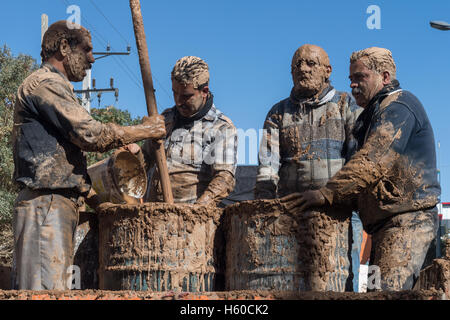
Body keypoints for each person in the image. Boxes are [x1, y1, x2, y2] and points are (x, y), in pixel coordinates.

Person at [11, 21, 166, 290]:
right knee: (43, 293)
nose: (93, 58)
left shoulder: (56, 87)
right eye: (87, 50)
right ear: (63, 47)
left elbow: (69, 159)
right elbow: (91, 134)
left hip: (54, 204)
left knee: (53, 290)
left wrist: (95, 199)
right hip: (46, 205)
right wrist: (145, 130)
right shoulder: (45, 84)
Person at [282, 47, 440, 291]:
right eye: (351, 79)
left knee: (387, 292)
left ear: (385, 77)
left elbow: (371, 162)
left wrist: (325, 194)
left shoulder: (399, 106)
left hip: (407, 222)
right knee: (375, 291)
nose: (353, 85)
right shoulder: (369, 117)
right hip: (382, 227)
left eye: (360, 77)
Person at [255, 44, 362, 291]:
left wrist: (336, 195)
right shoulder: (279, 113)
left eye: (310, 64)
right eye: (297, 65)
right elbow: (267, 166)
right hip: (292, 213)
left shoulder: (347, 105)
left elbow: (357, 161)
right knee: (290, 283)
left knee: (340, 281)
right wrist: (263, 207)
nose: (303, 69)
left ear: (327, 70)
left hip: (339, 213)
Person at [128, 56, 238, 205]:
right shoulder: (164, 120)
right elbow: (146, 160)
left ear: (204, 91)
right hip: (154, 215)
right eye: (174, 93)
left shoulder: (221, 128)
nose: (178, 101)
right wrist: (136, 156)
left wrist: (197, 211)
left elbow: (224, 179)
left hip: (192, 221)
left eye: (186, 96)